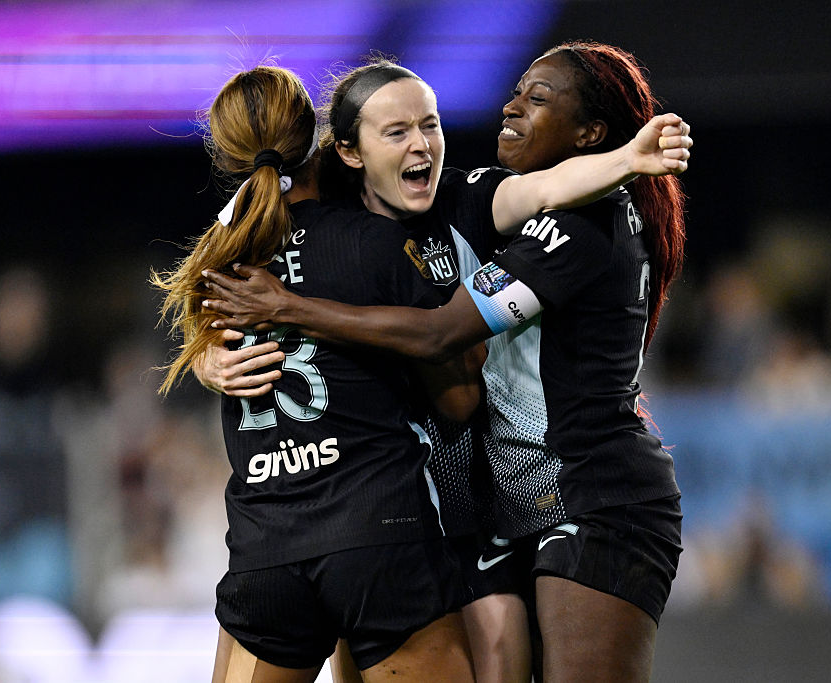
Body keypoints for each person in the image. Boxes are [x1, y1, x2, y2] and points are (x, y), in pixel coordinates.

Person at [202, 41, 688, 682]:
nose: (509, 108)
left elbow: (445, 334)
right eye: (397, 130)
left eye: (430, 124)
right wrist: (211, 351)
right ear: (349, 150)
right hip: (465, 506)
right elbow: (255, 199)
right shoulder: (359, 228)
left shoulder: (510, 208)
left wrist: (626, 160)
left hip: (579, 493)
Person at [153, 65, 483, 682]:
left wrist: (207, 360)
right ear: (326, 142)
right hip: (383, 535)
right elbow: (460, 400)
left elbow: (203, 343)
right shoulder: (376, 243)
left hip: (268, 550)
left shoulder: (219, 262)